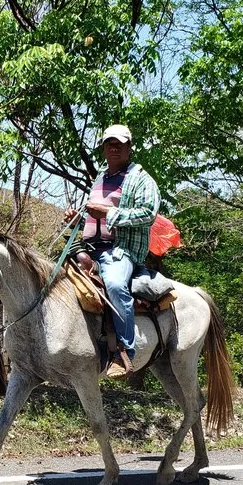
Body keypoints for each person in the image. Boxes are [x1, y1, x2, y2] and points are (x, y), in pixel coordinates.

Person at [64, 124, 160, 379]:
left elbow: (148, 214)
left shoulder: (142, 179)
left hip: (120, 250)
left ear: (129, 148)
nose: (113, 148)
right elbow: (95, 219)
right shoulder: (100, 178)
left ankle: (124, 352)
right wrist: (78, 221)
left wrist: (108, 212)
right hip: (88, 248)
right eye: (109, 144)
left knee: (116, 286)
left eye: (119, 144)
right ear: (104, 149)